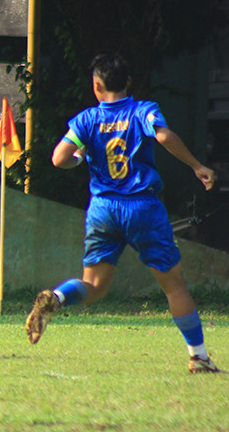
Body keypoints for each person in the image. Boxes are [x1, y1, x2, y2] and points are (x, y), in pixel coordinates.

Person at [25, 53, 219, 373]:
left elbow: (59, 159)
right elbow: (163, 135)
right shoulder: (143, 111)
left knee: (94, 286)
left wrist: (81, 157)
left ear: (96, 86)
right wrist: (197, 166)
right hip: (142, 207)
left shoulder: (87, 120)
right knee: (174, 286)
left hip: (102, 209)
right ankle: (198, 357)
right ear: (128, 82)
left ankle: (57, 297)